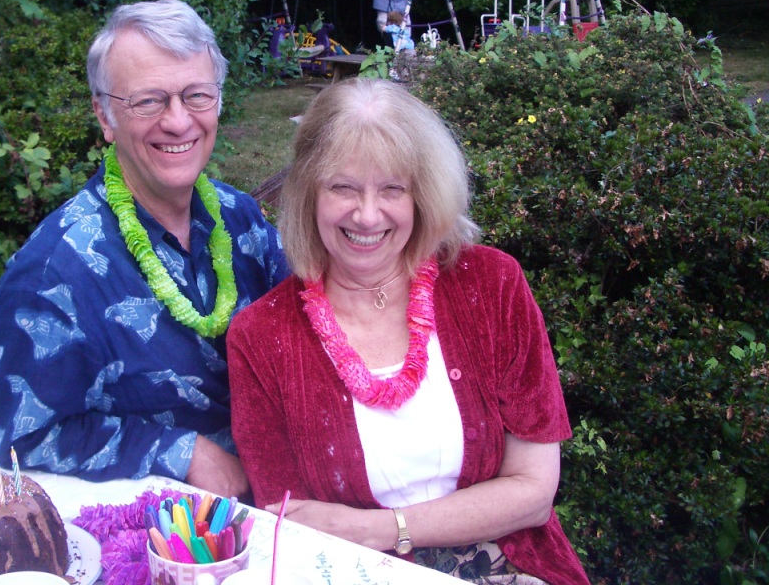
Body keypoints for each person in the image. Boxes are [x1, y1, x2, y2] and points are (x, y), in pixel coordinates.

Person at [227, 78, 590, 584]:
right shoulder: (261, 337)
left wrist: (383, 528)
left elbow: (533, 492)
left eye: (392, 189)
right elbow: (296, 527)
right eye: (342, 187)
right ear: (308, 194)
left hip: (507, 566)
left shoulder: (491, 285)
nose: (367, 214)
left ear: (423, 194)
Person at [0, 0, 288, 499]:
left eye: (197, 95)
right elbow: (20, 438)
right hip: (167, 528)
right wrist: (181, 452)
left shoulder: (241, 220)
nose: (178, 121)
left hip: (288, 509)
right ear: (104, 116)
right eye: (149, 101)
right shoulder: (53, 272)